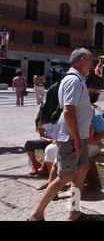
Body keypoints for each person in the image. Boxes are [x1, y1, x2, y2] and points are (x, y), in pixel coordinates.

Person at [28, 48, 94, 221]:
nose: (92, 65)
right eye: (91, 62)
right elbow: (68, 111)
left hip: (78, 136)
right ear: (82, 60)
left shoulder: (78, 80)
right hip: (71, 137)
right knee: (64, 176)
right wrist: (77, 141)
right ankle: (36, 214)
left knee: (81, 170)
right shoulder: (73, 81)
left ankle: (74, 212)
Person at [24, 111, 55, 176]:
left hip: (57, 139)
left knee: (49, 148)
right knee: (28, 144)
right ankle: (35, 164)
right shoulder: (42, 121)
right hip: (48, 139)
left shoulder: (57, 117)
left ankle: (46, 166)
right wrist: (49, 140)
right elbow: (42, 136)